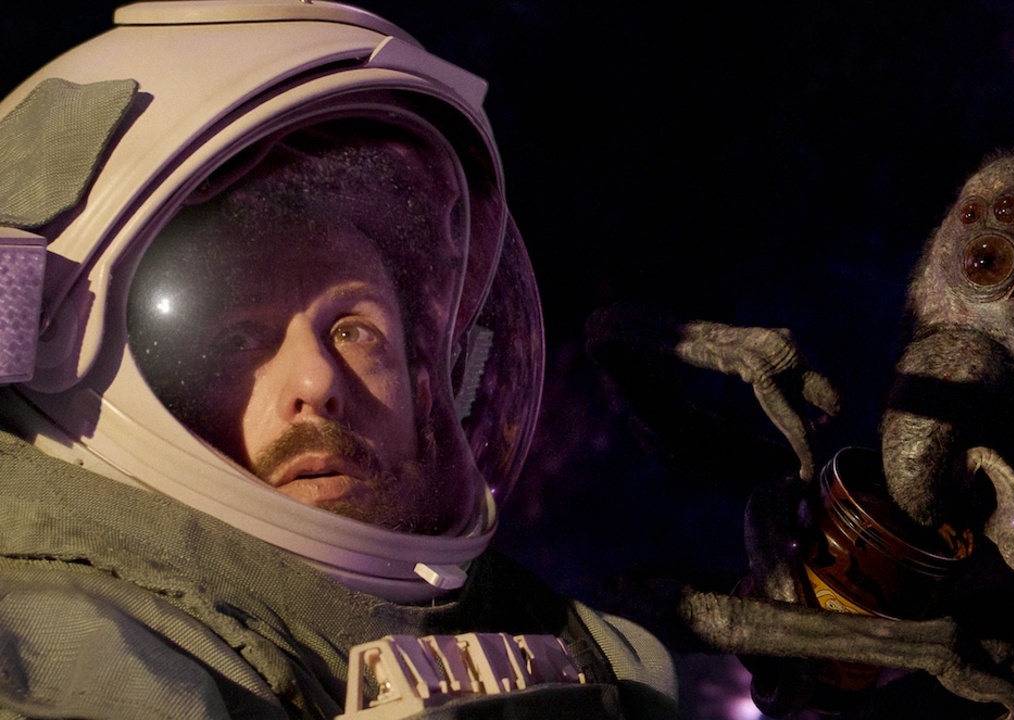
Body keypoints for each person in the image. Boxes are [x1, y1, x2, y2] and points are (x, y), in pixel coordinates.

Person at [0, 2, 675, 718]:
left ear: (428, 382)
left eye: (354, 330)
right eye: (237, 340)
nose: (318, 382)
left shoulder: (595, 653)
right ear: (86, 381)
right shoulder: (77, 665)